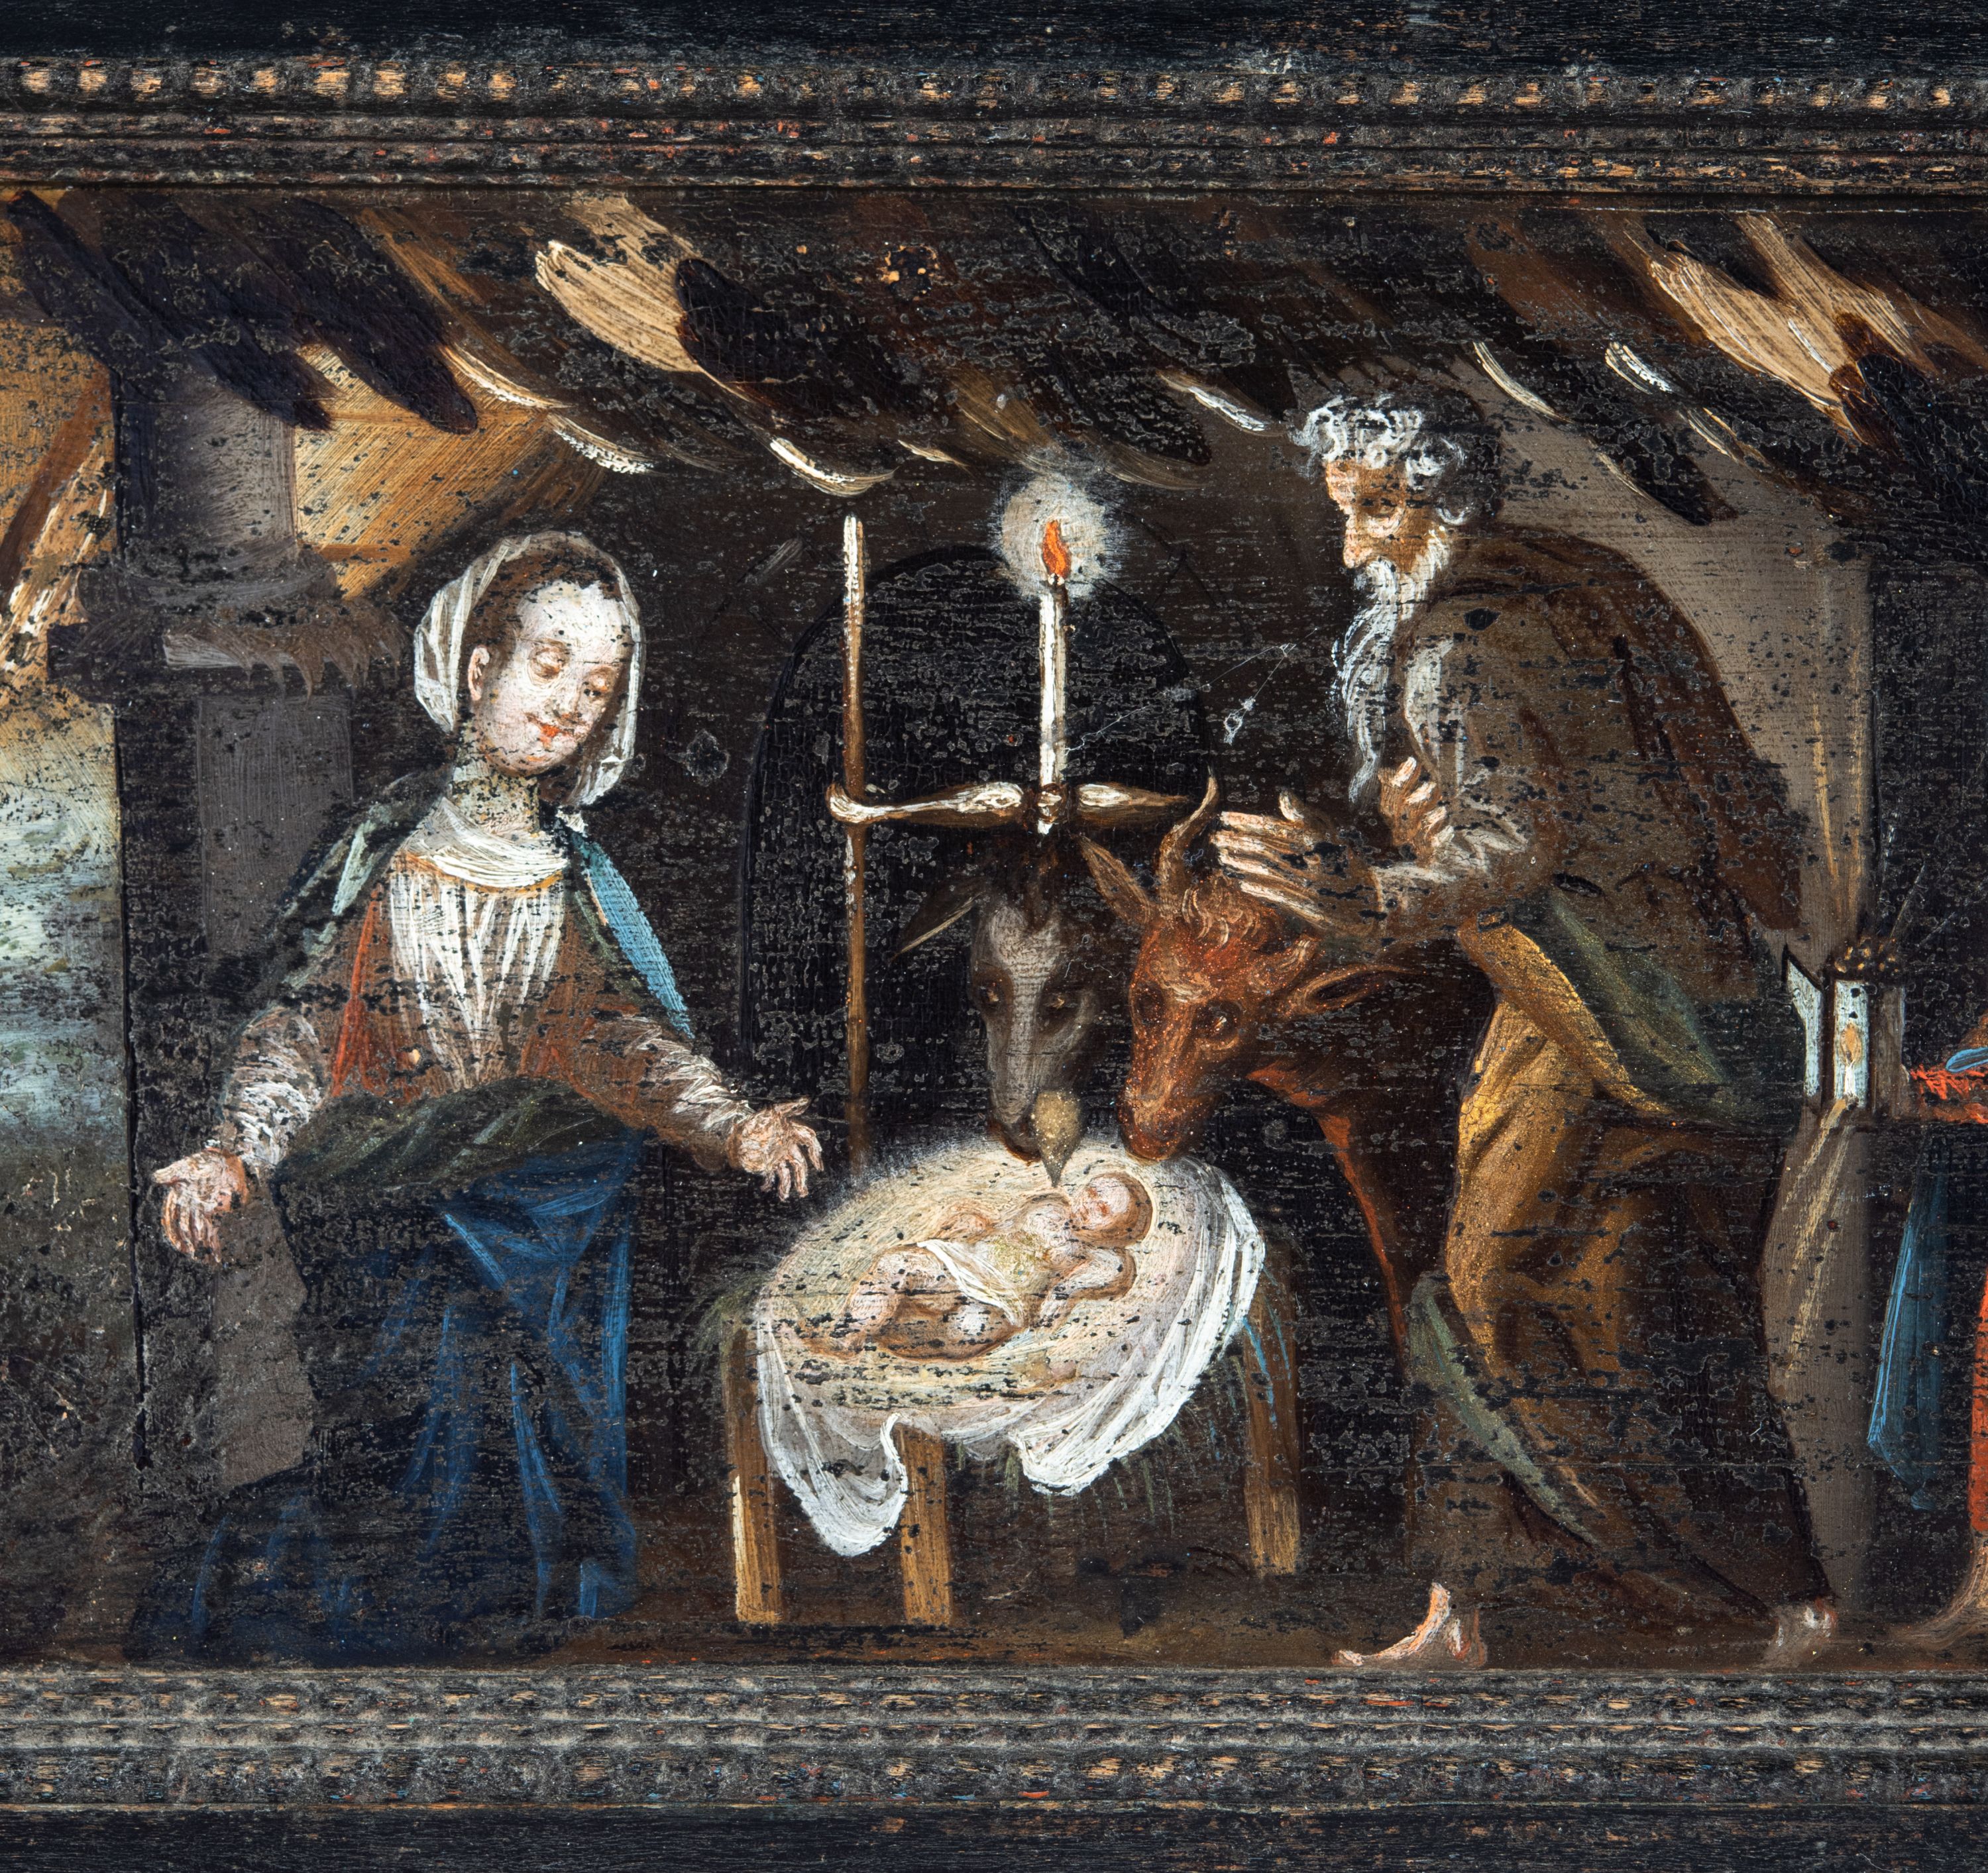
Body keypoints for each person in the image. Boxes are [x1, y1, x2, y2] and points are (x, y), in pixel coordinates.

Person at [1212, 390, 1834, 1666]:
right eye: (1344, 515)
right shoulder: (1580, 583)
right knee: (1577, 1297)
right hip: (1675, 986)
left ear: (1438, 499)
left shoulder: (1458, 646)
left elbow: (1516, 847)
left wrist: (1369, 894)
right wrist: (1406, 839)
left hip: (1607, 1010)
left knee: (1523, 1298)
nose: (1354, 547)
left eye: (1373, 512)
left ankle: (1768, 1596)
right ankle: (1479, 1607)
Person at [137, 531, 822, 1662]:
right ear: (475, 668)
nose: (568, 707)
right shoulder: (383, 853)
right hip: (393, 1214)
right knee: (398, 1469)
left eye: (596, 687)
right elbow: (302, 1027)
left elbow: (624, 1041)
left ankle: (500, 1634)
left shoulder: (577, 877)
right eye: (548, 666)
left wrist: (731, 1122)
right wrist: (233, 1150)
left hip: (535, 1219)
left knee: (514, 1488)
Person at [812, 1169, 1152, 1361]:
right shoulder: (1049, 1203)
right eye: (1091, 1193)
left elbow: (1117, 1271)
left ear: (1117, 1232)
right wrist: (976, 1221)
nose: (1088, 1205)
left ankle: (888, 1331)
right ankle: (846, 1336)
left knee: (968, 1330)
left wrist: (1064, 1292)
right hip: (965, 1263)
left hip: (1003, 1300)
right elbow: (1000, 1223)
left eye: (1103, 1211)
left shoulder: (1097, 1256)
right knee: (897, 1263)